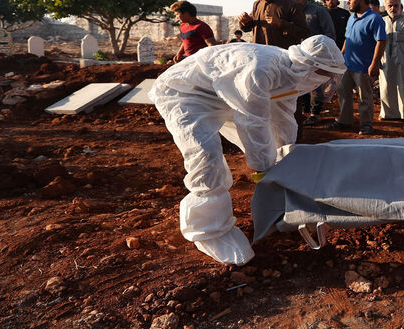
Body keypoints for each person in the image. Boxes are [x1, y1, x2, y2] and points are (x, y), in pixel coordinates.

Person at [148, 35, 345, 265]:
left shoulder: (293, 74)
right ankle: (209, 231)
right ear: (309, 66)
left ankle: (280, 209)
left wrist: (285, 159)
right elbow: (253, 123)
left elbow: (282, 118)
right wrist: (264, 171)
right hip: (185, 93)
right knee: (206, 157)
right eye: (325, 74)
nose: (327, 81)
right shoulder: (259, 71)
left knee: (271, 147)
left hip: (226, 94)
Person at [327, 0, 387, 135]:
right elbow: (348, 38)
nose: (348, 1)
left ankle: (366, 125)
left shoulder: (375, 18)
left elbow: (381, 41)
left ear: (361, 0)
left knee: (364, 97)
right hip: (348, 63)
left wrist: (374, 64)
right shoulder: (352, 17)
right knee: (343, 92)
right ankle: (344, 120)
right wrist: (340, 56)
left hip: (364, 66)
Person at [285, 0, 336, 126]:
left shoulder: (318, 11)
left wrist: (323, 56)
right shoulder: (290, 13)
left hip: (315, 57)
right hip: (297, 55)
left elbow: (329, 33)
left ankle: (315, 114)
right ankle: (303, 111)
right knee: (299, 84)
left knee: (315, 85)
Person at [238, 0, 310, 48]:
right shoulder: (257, 4)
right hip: (260, 55)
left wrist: (280, 23)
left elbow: (304, 32)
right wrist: (245, 21)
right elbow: (248, 27)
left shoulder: (291, 4)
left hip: (282, 57)